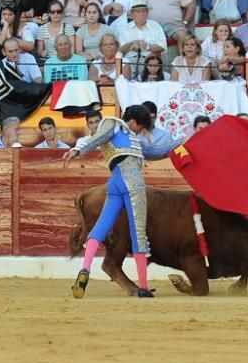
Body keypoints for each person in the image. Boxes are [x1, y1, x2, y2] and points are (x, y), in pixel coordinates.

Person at [64, 104, 178, 299]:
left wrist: (186, 140)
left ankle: (85, 270)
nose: (140, 132)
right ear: (133, 122)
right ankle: (143, 286)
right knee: (138, 232)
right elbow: (96, 138)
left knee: (100, 227)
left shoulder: (131, 138)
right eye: (140, 128)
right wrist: (78, 150)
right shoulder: (114, 123)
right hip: (132, 181)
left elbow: (160, 151)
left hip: (115, 182)